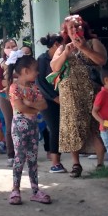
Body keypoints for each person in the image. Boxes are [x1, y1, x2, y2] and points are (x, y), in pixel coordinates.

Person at [50, 15, 108, 177]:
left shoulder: (93, 43)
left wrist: (84, 48)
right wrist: (65, 54)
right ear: (66, 32)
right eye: (71, 28)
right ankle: (76, 164)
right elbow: (54, 67)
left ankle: (100, 163)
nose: (75, 30)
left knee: (95, 127)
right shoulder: (63, 48)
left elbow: (102, 60)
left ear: (83, 28)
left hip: (92, 92)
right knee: (72, 128)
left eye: (78, 26)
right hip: (70, 95)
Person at [8, 55, 51, 205]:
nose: (38, 73)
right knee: (19, 157)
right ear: (25, 71)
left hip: (32, 127)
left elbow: (44, 105)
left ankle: (35, 190)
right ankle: (15, 189)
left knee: (33, 159)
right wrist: (33, 105)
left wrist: (28, 102)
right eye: (35, 70)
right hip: (20, 127)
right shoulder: (14, 87)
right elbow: (20, 107)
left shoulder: (34, 88)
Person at [37, 34, 65, 173]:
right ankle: (55, 163)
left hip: (61, 97)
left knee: (59, 129)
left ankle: (56, 159)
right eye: (62, 44)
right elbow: (40, 82)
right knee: (55, 128)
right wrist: (54, 97)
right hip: (47, 100)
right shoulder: (42, 59)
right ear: (55, 45)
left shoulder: (64, 57)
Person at [0, 39, 19, 167]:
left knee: (25, 122)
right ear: (3, 49)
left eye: (13, 46)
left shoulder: (22, 60)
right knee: (10, 124)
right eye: (8, 46)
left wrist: (12, 79)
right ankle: (11, 155)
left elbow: (28, 75)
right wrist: (15, 80)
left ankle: (24, 153)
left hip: (22, 95)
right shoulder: (0, 63)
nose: (11, 48)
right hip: (5, 96)